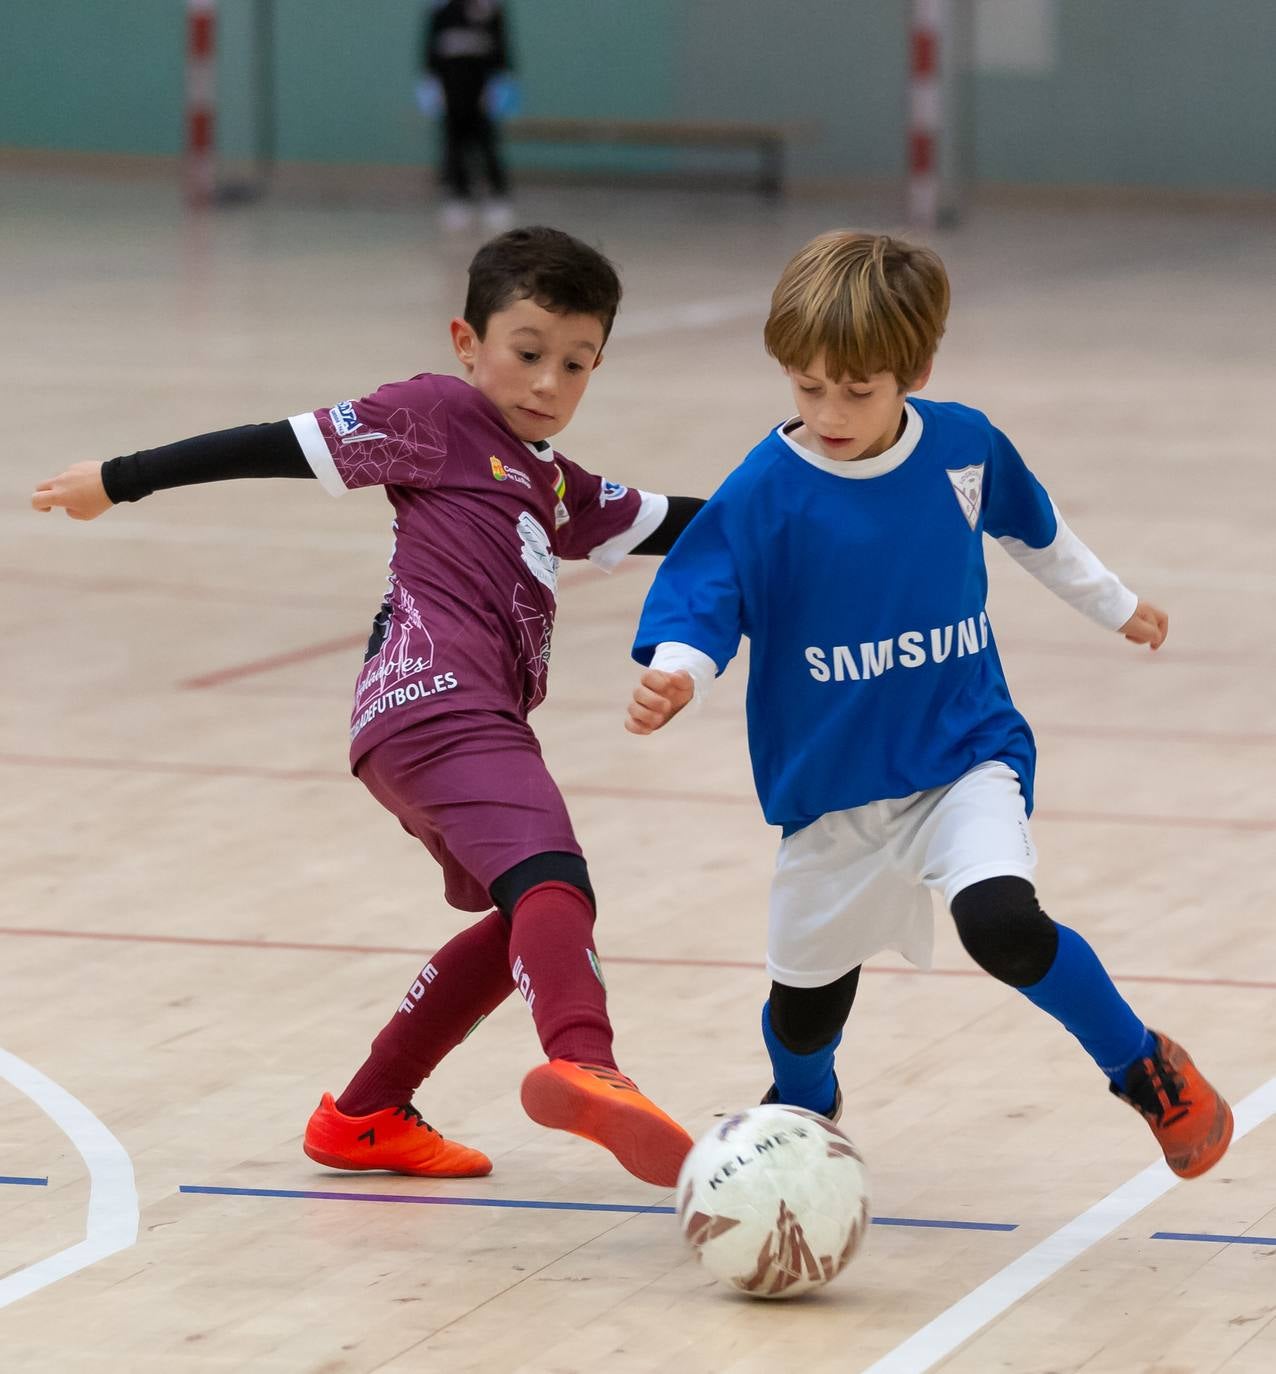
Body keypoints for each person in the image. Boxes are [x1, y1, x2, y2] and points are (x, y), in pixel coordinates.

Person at [32, 225, 703, 1189]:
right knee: (558, 881)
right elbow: (275, 444)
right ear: (466, 344)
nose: (547, 382)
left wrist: (810, 513)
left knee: (524, 914)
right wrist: (119, 481)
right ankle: (585, 1060)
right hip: (442, 705)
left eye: (576, 363)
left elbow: (684, 523)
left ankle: (365, 1113)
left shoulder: (552, 482)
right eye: (526, 352)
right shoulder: (432, 413)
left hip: (422, 726)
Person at [625, 230, 1233, 1180]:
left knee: (1001, 922)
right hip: (832, 790)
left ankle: (1142, 1066)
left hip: (963, 754)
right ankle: (805, 1107)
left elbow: (1037, 530)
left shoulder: (962, 445)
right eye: (807, 385)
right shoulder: (761, 495)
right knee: (804, 1009)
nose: (829, 409)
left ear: (913, 370)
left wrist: (1116, 604)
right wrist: (678, 673)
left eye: (857, 389)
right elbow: (703, 606)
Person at [421, 0, 517, 232]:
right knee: (454, 144)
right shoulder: (440, 10)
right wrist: (431, 83)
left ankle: (496, 196)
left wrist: (502, 83)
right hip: (451, 91)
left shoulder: (491, 9)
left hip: (483, 92)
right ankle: (457, 196)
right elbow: (429, 50)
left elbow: (503, 50)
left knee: (486, 143)